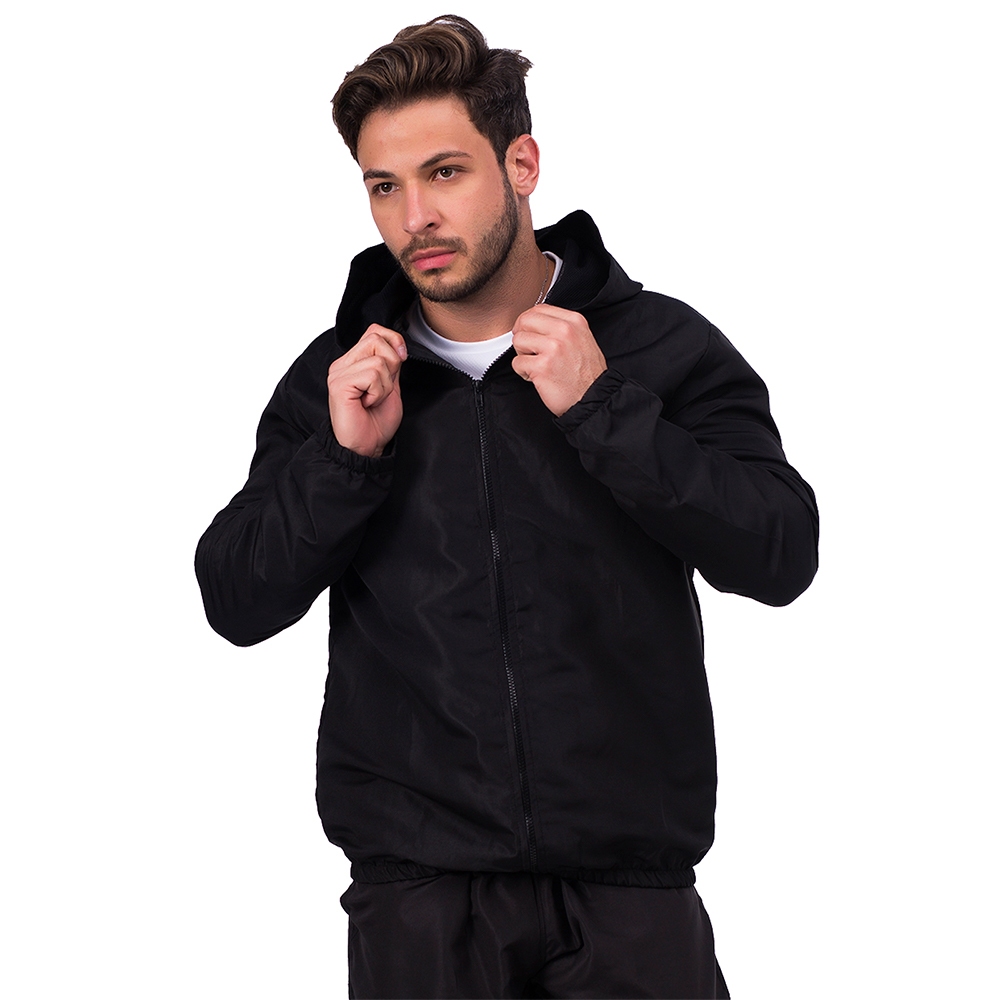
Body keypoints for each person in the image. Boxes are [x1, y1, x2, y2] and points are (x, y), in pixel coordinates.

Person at [196, 15, 818, 999]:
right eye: (384, 186)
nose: (414, 218)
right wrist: (343, 461)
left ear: (521, 164)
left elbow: (778, 549)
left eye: (444, 173)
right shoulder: (339, 378)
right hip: (419, 898)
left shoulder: (655, 347)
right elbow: (236, 596)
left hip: (631, 892)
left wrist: (603, 409)